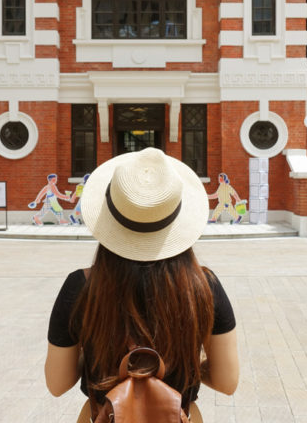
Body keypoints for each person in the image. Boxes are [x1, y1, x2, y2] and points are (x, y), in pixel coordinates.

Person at [45, 148, 239, 422]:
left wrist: (96, 355)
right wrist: (185, 363)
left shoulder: (80, 286)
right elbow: (227, 381)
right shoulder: (204, 286)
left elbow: (57, 383)